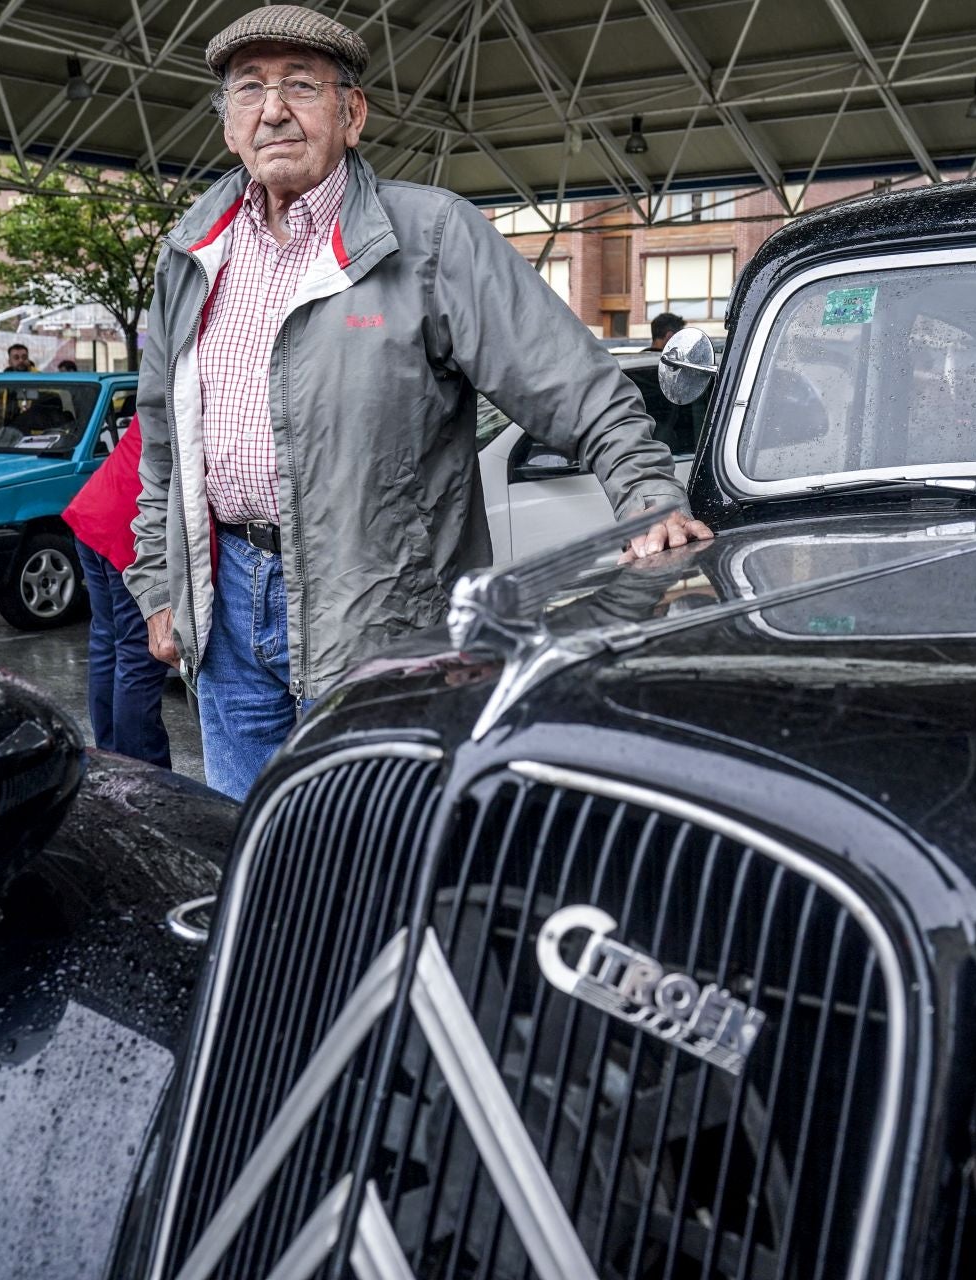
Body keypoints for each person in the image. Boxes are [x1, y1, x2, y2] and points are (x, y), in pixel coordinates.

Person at [128, 5, 710, 800]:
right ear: (228, 125)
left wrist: (650, 500)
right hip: (227, 604)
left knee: (377, 846)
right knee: (250, 845)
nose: (272, 109)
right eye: (249, 90)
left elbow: (577, 387)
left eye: (301, 85)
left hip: (381, 613)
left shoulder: (432, 237)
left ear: (352, 113)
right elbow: (161, 440)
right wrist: (161, 588)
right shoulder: (192, 253)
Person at [62, 419, 171, 768]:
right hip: (133, 529)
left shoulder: (165, 381)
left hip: (95, 512)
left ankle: (111, 759)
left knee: (109, 640)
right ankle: (143, 773)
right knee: (138, 651)